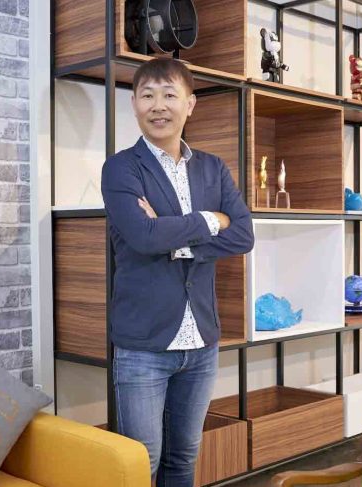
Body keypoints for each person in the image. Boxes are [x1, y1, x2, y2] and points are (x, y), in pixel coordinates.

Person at [100, 58, 254, 486]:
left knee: (183, 457)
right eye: (147, 95)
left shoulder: (212, 167)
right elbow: (143, 236)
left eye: (169, 95)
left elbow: (243, 235)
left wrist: (174, 238)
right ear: (134, 104)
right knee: (141, 463)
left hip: (201, 341)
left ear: (190, 104)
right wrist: (209, 220)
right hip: (144, 345)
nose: (158, 106)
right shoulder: (121, 168)